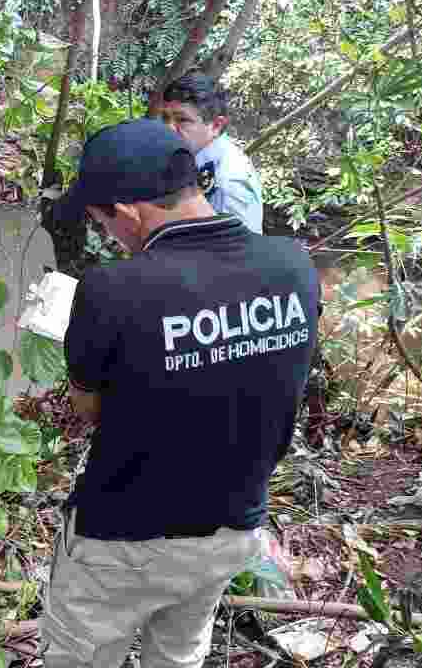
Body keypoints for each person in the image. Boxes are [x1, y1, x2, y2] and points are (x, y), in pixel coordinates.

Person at [44, 118, 319, 668]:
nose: (106, 236)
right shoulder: (294, 264)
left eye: (101, 222)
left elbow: (88, 407)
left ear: (126, 214)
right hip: (233, 525)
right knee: (178, 653)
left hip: (125, 534)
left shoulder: (111, 289)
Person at [155, 73, 264, 234]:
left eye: (182, 120)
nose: (169, 128)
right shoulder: (191, 158)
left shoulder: (228, 183)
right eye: (165, 118)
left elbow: (238, 255)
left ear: (216, 125)